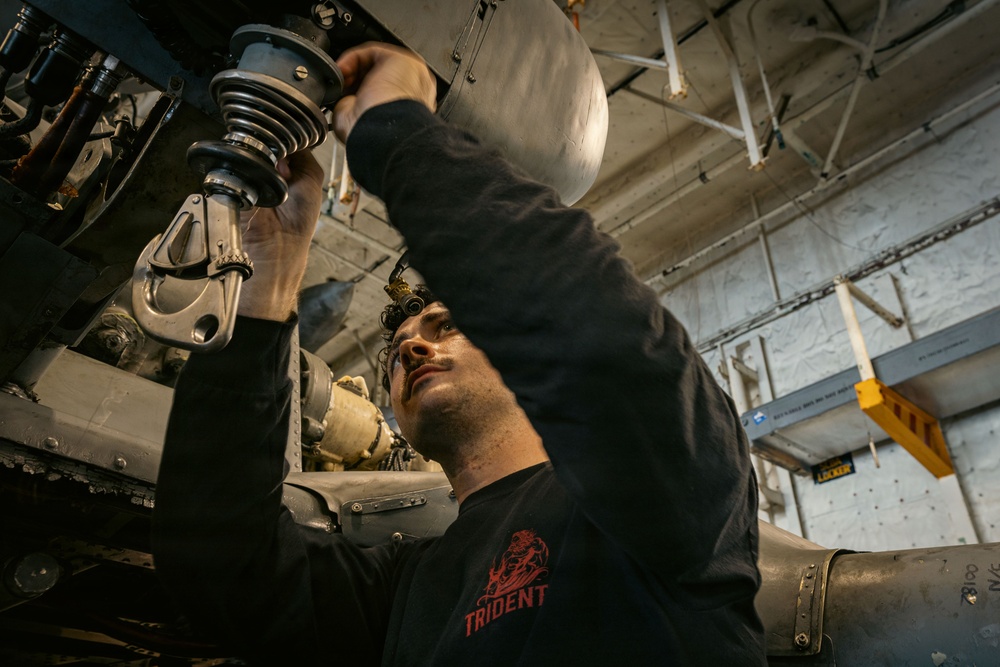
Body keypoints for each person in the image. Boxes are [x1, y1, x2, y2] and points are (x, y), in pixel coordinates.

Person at [152, 43, 766, 666]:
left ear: (515, 345)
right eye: (395, 351)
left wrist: (396, 131)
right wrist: (269, 281)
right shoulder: (405, 587)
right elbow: (220, 556)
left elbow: (611, 350)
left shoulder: (640, 505)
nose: (412, 345)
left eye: (446, 326)